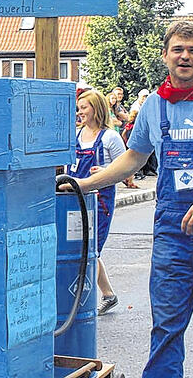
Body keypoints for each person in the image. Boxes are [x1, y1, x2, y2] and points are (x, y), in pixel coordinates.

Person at [66, 21, 193, 377]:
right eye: (178, 49)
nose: (185, 56)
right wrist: (84, 185)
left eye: (192, 50)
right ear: (165, 55)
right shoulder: (153, 107)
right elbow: (134, 158)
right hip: (172, 233)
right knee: (166, 326)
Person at [66, 90, 126, 315]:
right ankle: (108, 294)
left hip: (99, 200)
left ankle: (92, 296)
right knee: (81, 248)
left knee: (92, 249)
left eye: (84, 107)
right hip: (73, 197)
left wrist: (105, 171)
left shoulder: (110, 137)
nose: (80, 111)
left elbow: (125, 167)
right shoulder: (75, 136)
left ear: (96, 108)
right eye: (79, 107)